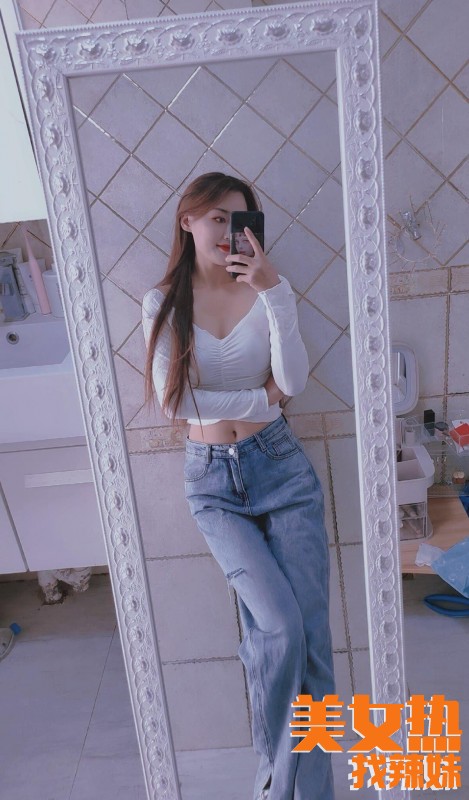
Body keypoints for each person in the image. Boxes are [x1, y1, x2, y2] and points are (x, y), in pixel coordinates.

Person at [142, 172, 335, 800]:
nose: (229, 231)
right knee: (277, 628)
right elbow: (176, 403)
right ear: (188, 221)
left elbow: (294, 381)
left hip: (281, 470)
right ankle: (276, 785)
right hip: (213, 486)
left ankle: (313, 792)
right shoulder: (162, 302)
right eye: (217, 218)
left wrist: (272, 291)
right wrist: (261, 398)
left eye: (239, 218)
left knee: (311, 644)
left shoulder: (270, 288)